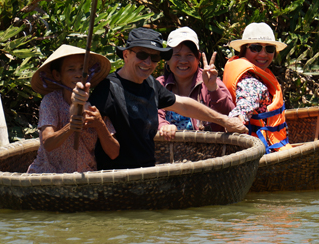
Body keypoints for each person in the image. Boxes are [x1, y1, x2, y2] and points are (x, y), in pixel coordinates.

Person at [88, 27, 247, 170]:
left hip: (148, 173)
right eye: (142, 55)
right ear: (126, 55)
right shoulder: (107, 88)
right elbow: (83, 124)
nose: (148, 63)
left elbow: (184, 105)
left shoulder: (150, 84)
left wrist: (224, 121)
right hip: (116, 175)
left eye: (155, 57)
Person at [27, 44, 119, 173]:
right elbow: (48, 143)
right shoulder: (51, 101)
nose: (78, 75)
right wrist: (70, 127)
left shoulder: (96, 102)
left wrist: (100, 125)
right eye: (71, 69)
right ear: (57, 75)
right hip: (49, 175)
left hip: (84, 176)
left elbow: (114, 152)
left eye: (82, 69)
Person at [223, 22, 293, 154]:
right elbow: (247, 100)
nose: (263, 54)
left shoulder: (257, 74)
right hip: (263, 150)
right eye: (255, 48)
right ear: (244, 50)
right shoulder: (249, 81)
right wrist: (238, 118)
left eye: (269, 49)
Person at [156, 27, 235, 141]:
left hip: (208, 153)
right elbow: (151, 112)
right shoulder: (160, 84)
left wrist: (213, 89)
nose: (183, 61)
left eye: (189, 55)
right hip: (168, 153)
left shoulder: (210, 81)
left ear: (198, 58)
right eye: (177, 55)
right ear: (167, 59)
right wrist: (163, 125)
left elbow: (229, 116)